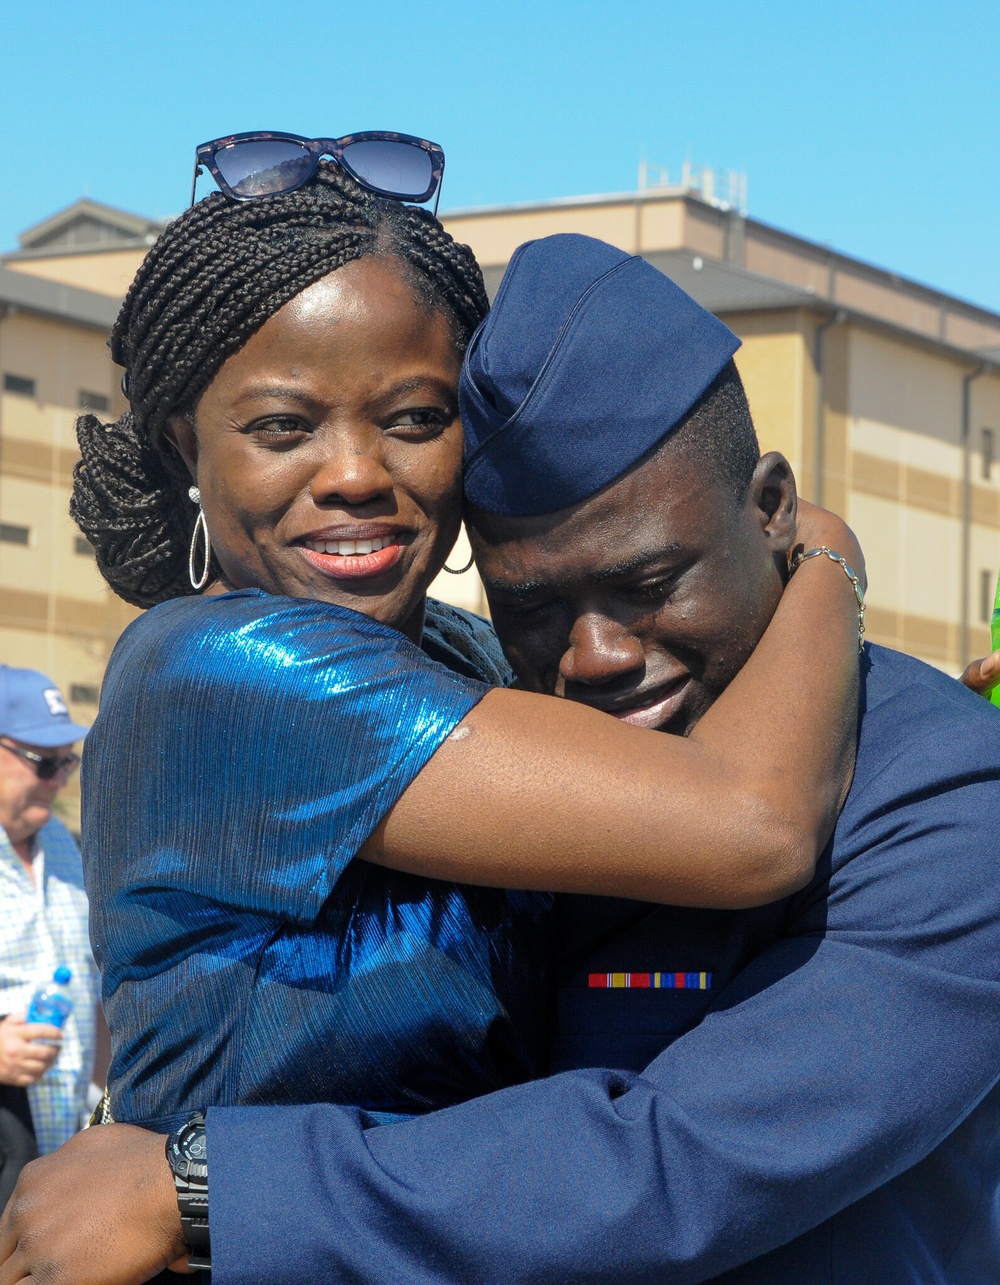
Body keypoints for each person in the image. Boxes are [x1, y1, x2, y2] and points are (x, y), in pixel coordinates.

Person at [3, 233, 995, 1285]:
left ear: (769, 509)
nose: (597, 654)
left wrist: (209, 1189)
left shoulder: (943, 790)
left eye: (651, 582)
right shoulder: (257, 673)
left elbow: (675, 1165)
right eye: (535, 605)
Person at [0, 666, 98, 1206]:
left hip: (58, 1161)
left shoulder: (62, 845)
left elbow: (92, 990)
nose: (61, 779)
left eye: (68, 761)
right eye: (43, 762)